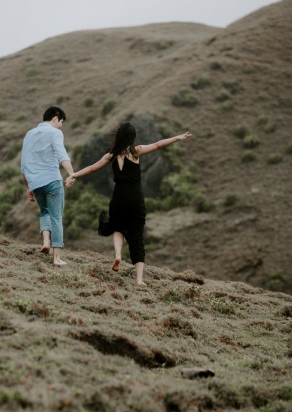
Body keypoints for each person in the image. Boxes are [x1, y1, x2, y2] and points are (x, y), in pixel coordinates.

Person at [65, 123, 191, 285]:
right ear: (132, 137)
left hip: (118, 196)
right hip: (135, 196)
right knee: (137, 235)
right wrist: (177, 137)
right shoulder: (135, 151)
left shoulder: (110, 155)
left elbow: (91, 169)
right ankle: (139, 280)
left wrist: (73, 175)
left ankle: (118, 255)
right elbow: (158, 145)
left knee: (118, 226)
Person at [20, 106, 75, 266]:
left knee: (44, 212)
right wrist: (72, 173)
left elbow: (24, 163)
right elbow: (61, 154)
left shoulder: (29, 134)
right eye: (61, 122)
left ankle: (46, 241)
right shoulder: (55, 133)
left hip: (35, 182)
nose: (60, 126)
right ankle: (57, 257)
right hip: (52, 180)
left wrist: (28, 186)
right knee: (56, 217)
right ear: (55, 118)